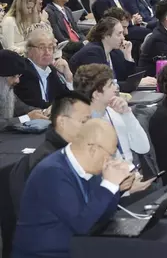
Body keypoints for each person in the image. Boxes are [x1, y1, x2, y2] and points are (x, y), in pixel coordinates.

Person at [12, 119, 132, 258]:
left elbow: (101, 218)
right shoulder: (52, 173)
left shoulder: (88, 168)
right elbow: (82, 225)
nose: (111, 160)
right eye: (110, 155)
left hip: (77, 246)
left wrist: (114, 187)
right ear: (93, 150)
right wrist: (109, 185)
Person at [9, 92, 92, 217]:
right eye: (84, 121)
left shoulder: (71, 151)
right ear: (62, 122)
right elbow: (77, 217)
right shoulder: (49, 163)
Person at [73, 64, 151, 164]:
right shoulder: (83, 126)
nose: (116, 88)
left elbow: (143, 148)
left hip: (131, 173)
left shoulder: (116, 111)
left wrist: (127, 114)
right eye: (111, 85)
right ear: (96, 95)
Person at [14, 29, 72, 109]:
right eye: (41, 47)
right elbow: (36, 104)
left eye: (50, 47)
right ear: (29, 50)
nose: (47, 52)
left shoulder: (52, 70)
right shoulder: (23, 72)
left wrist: (68, 77)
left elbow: (68, 98)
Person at [0, 50, 48, 131]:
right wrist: (27, 118)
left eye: (19, 76)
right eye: (13, 76)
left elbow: (22, 108)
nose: (17, 81)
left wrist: (43, 112)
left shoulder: (6, 90)